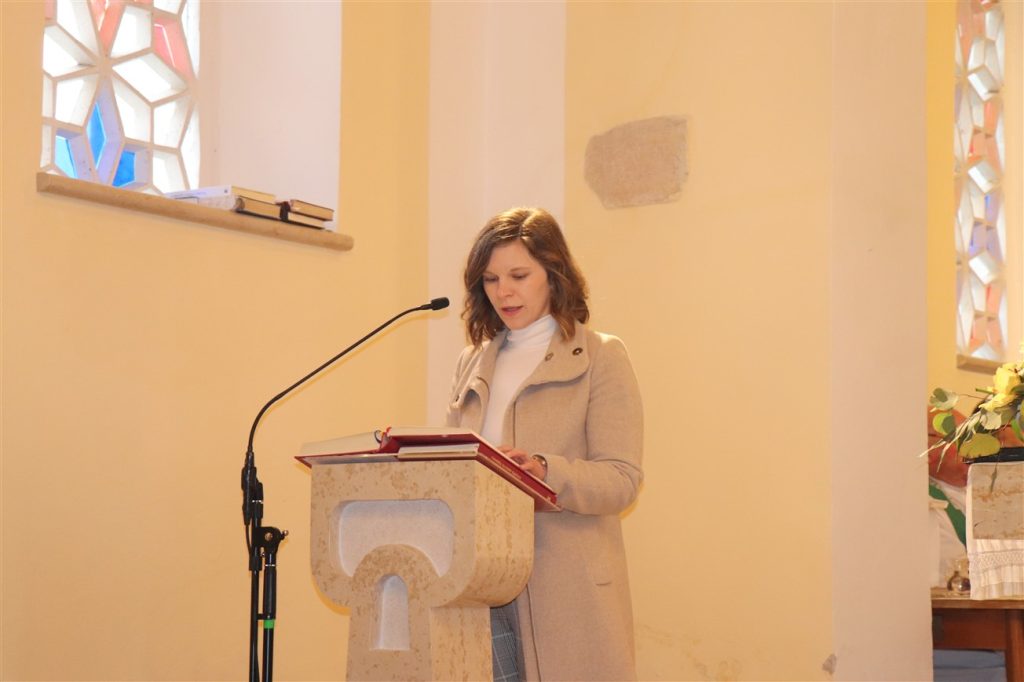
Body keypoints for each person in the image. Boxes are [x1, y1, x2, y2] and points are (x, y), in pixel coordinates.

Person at [445, 207, 644, 681]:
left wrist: (544, 471)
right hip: (481, 580)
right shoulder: (472, 361)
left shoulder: (601, 356)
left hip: (565, 590)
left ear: (554, 275)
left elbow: (622, 479)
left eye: (519, 275)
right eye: (491, 279)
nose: (504, 292)